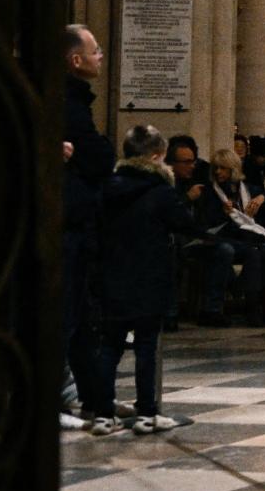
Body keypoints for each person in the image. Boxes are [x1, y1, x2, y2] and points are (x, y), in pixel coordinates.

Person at [81, 125, 192, 436]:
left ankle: (103, 414)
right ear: (157, 156)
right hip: (149, 275)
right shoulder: (160, 191)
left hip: (111, 274)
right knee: (145, 346)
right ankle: (147, 414)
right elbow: (185, 222)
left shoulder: (106, 187)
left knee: (110, 346)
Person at [59, 25, 112, 433]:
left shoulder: (75, 99)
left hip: (77, 220)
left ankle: (98, 401)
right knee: (63, 316)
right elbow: (97, 157)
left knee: (78, 317)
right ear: (75, 60)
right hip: (63, 223)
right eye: (94, 51)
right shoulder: (64, 101)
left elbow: (91, 155)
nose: (100, 57)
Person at [200, 148, 265, 325]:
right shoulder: (210, 193)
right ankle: (252, 308)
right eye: (216, 168)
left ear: (233, 169)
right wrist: (223, 214)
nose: (218, 172)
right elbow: (207, 224)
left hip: (246, 239)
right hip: (225, 239)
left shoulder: (249, 189)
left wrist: (264, 198)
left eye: (223, 168)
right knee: (253, 253)